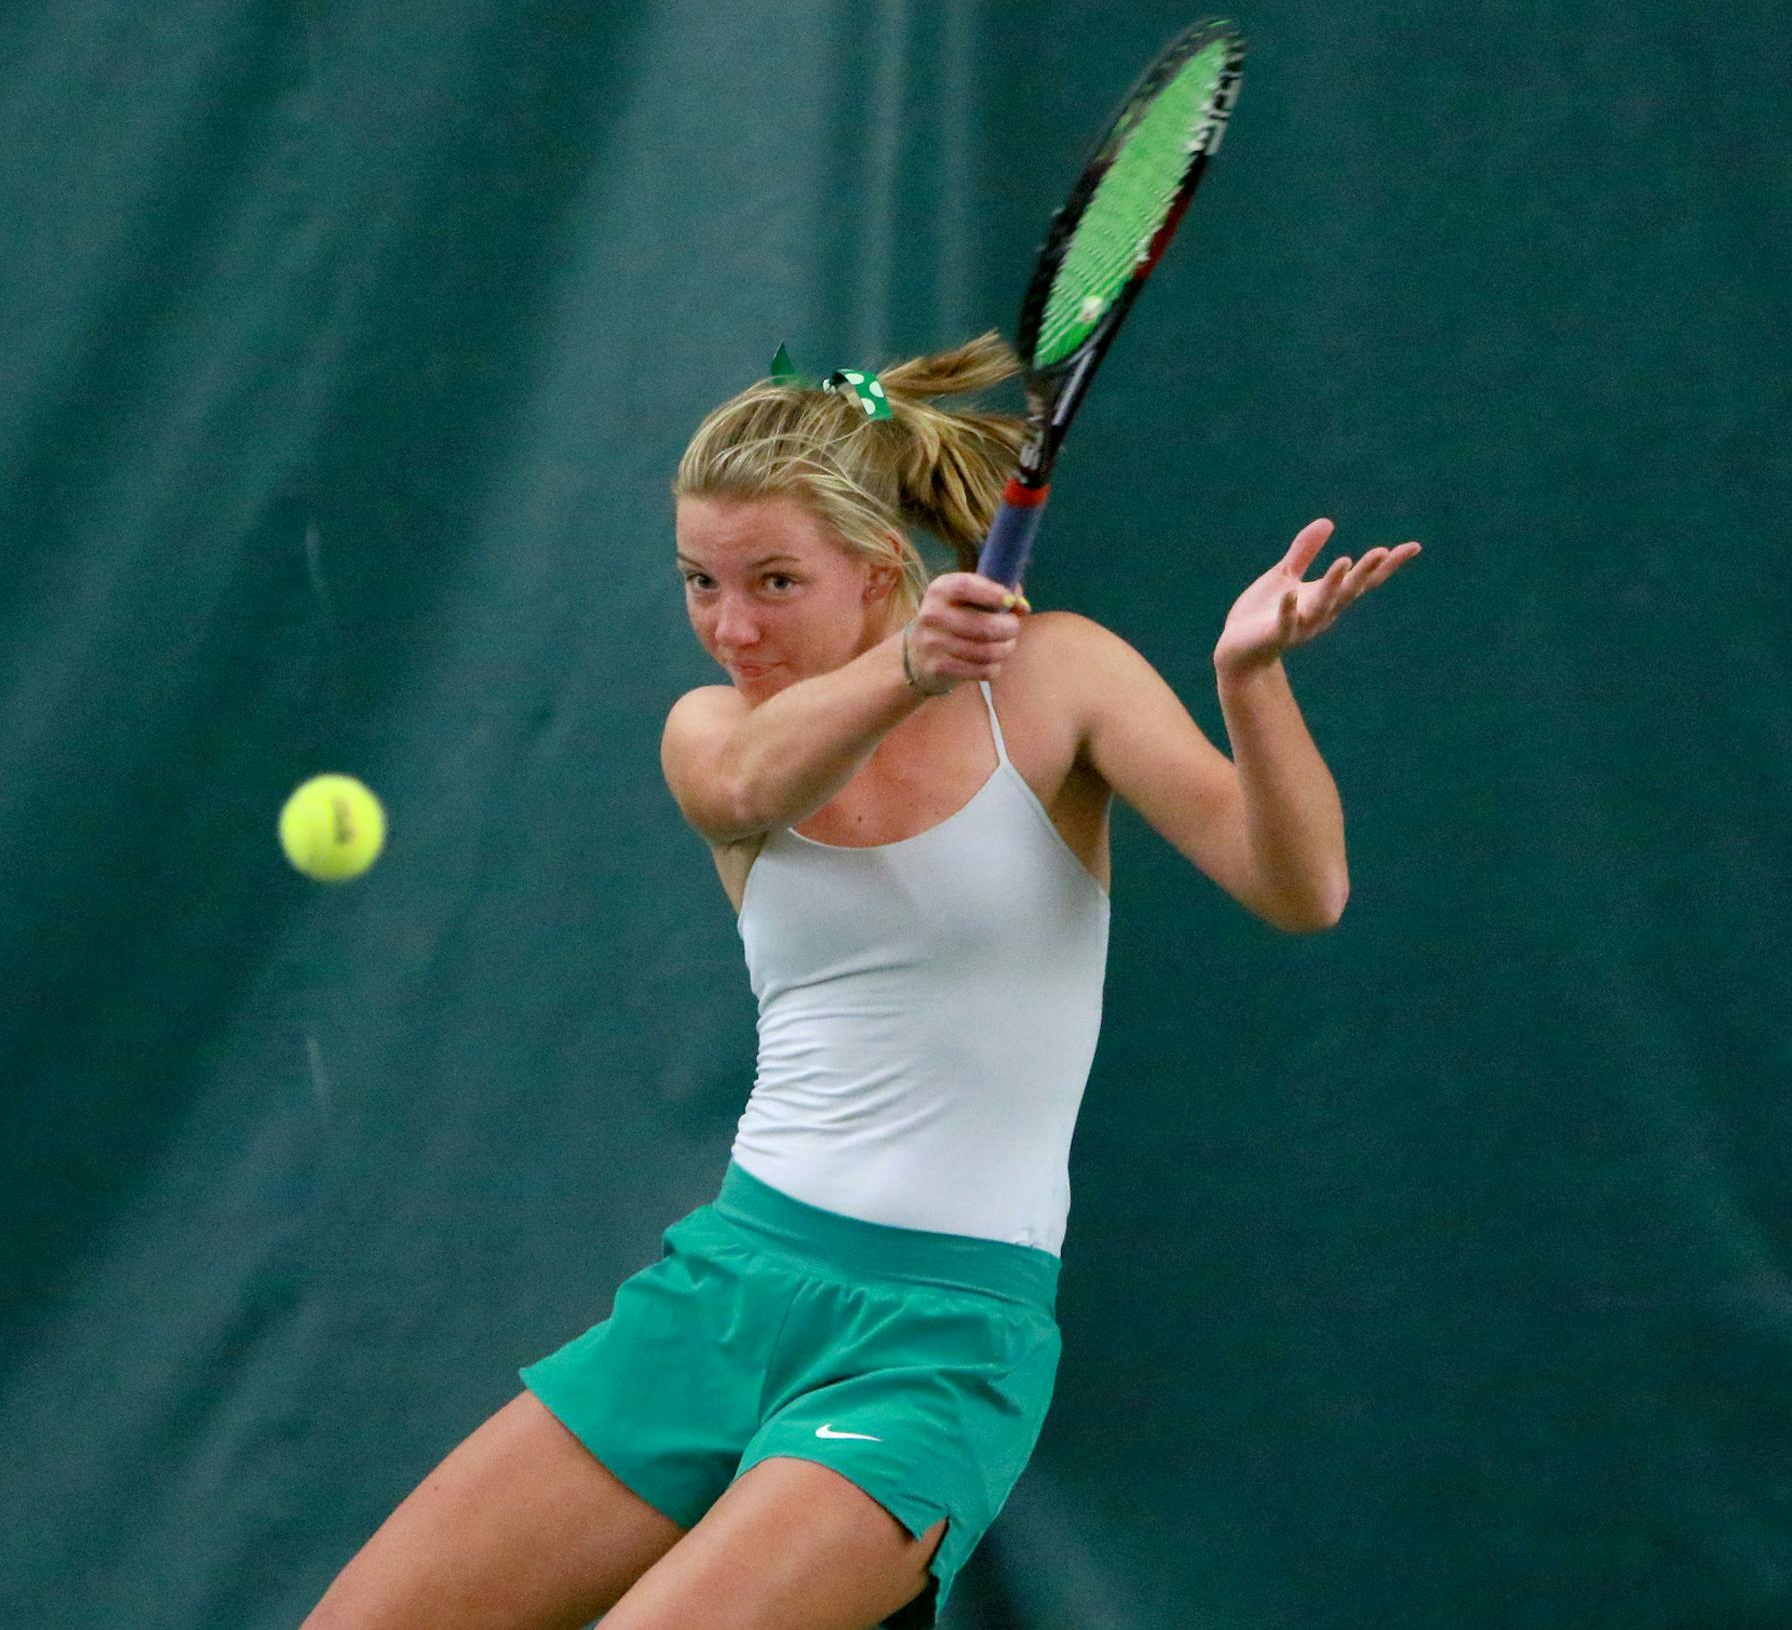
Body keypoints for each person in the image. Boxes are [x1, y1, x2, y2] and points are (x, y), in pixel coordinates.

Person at [301, 334, 1420, 1630]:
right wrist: (906, 668)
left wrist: (1252, 682)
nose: (732, 624)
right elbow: (744, 786)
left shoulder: (1055, 679)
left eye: (775, 580)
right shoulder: (713, 729)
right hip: (726, 1290)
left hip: (939, 1346)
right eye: (700, 581)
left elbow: (1302, 887)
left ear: (883, 565)